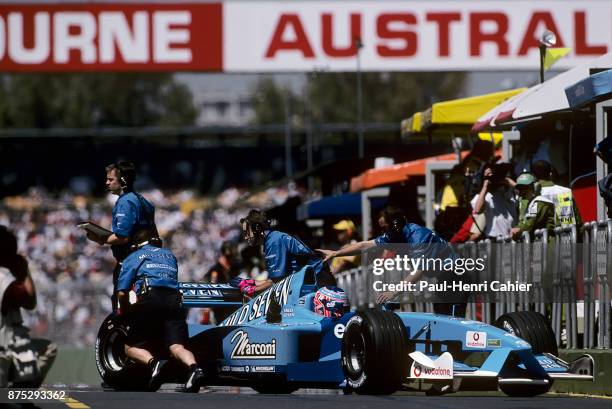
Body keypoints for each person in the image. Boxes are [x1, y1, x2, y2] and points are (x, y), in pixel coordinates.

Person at [319, 207, 467, 317]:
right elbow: (364, 245)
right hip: (442, 279)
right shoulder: (394, 235)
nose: (383, 232)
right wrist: (335, 253)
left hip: (456, 277)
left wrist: (393, 292)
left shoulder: (418, 237)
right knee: (440, 317)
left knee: (453, 320)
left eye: (385, 227)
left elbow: (417, 273)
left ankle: (459, 355)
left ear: (395, 223)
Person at [116, 228, 204, 393]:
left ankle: (154, 363)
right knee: (176, 347)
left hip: (151, 298)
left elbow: (122, 292)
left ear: (137, 244)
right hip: (174, 299)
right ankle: (194, 368)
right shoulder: (169, 256)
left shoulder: (135, 256)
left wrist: (126, 311)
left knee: (129, 348)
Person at [86, 161, 158, 311]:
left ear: (123, 180)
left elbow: (122, 237)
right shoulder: (141, 199)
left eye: (111, 179)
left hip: (133, 262)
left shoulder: (126, 201)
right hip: (149, 260)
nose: (107, 183)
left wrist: (100, 238)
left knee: (123, 309)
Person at [0, 226, 57, 388]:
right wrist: (24, 270)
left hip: (7, 344)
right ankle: (22, 392)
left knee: (47, 348)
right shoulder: (4, 280)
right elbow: (30, 302)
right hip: (3, 350)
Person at [234, 209, 334, 296]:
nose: (246, 237)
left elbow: (278, 280)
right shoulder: (273, 238)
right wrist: (253, 282)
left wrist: (253, 289)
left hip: (319, 280)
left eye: (247, 232)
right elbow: (276, 278)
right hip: (315, 279)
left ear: (257, 228)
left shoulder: (273, 242)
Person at [470, 165, 518, 240]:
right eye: (487, 174)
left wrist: (506, 180)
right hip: (495, 239)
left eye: (492, 173)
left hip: (513, 236)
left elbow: (524, 190)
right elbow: (477, 210)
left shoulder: (508, 191)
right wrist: (485, 187)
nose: (491, 176)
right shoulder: (482, 196)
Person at [532, 160, 582, 229]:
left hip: (544, 238)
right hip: (567, 236)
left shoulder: (533, 195)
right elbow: (578, 221)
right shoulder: (566, 191)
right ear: (550, 174)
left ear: (533, 176)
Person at [510, 173, 555, 240]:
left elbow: (531, 223)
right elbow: (524, 221)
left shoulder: (540, 202)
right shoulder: (531, 202)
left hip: (548, 241)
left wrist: (519, 229)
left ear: (534, 187)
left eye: (525, 188)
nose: (521, 191)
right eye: (520, 188)